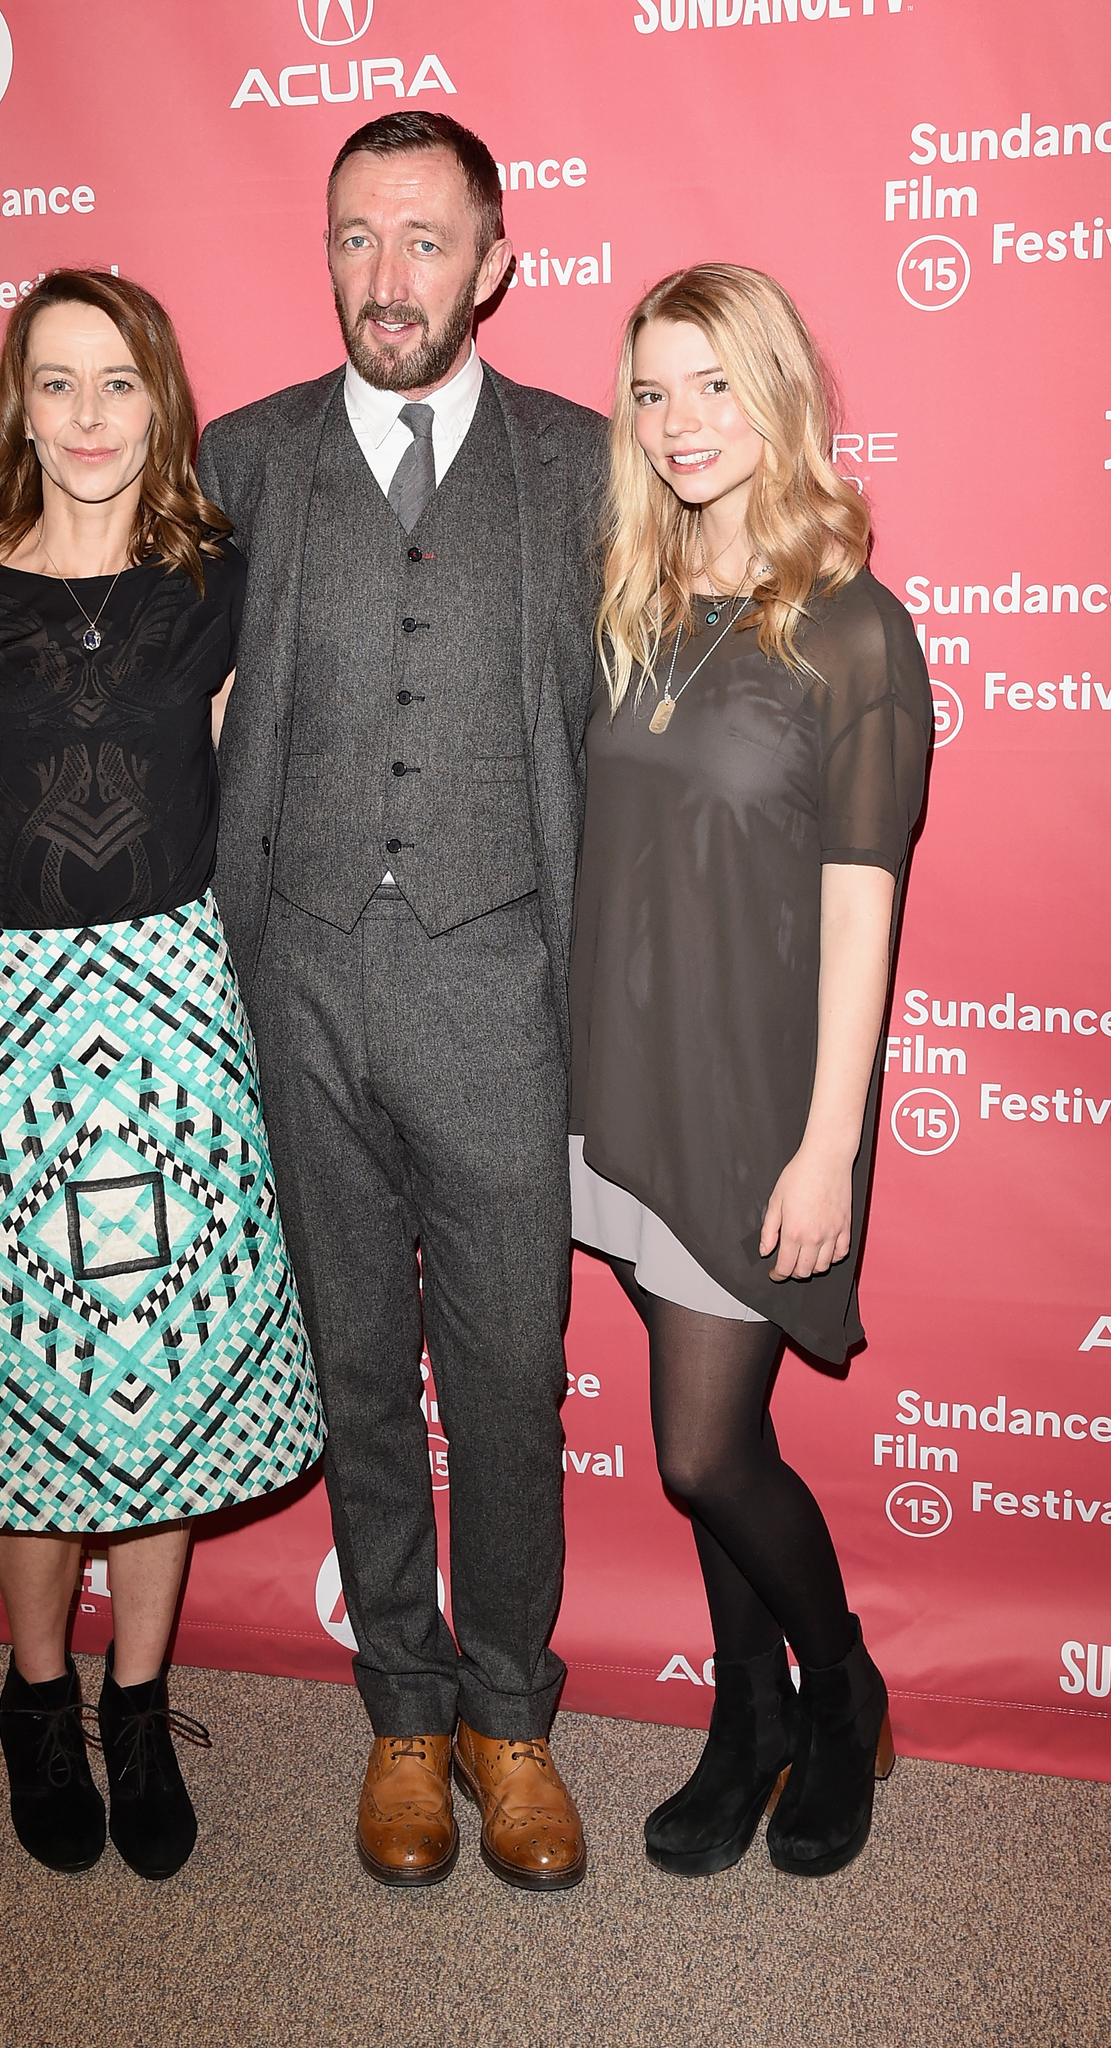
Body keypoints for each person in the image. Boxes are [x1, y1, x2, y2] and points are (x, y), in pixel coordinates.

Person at [0, 269, 323, 1882]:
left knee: (163, 1360)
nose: (84, 417)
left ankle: (139, 1707)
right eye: (53, 383)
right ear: (15, 405)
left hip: (178, 1016)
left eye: (116, 383)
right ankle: (38, 1696)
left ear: (162, 403)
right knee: (28, 1373)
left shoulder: (217, 591)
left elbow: (257, 796)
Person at [197, 111, 605, 1892]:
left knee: (508, 1375)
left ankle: (513, 1723)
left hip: (504, 986)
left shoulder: (589, 467)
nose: (387, 276)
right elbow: (121, 686)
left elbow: (675, 728)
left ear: (495, 262)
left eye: (425, 240)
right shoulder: (243, 458)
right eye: (357, 236)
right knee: (362, 1371)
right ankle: (406, 1722)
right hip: (298, 983)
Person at [569, 264, 931, 1879]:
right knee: (703, 1444)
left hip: (759, 1098)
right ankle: (748, 1716)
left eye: (712, 383)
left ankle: (839, 1688)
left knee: (706, 1449)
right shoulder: (628, 602)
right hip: (627, 1078)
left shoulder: (854, 628)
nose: (680, 423)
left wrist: (826, 1148)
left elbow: (867, 905)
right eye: (652, 391)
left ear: (777, 391)